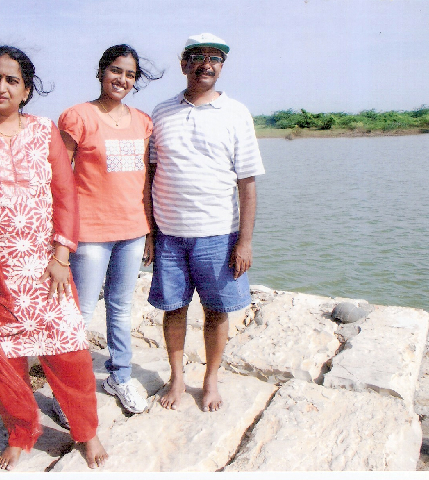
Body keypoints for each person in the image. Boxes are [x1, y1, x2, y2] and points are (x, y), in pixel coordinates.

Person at [0, 45, 108, 470]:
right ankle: (21, 431)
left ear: (27, 90)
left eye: (12, 80)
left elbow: (65, 195)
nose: (2, 86)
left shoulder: (43, 130)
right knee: (7, 359)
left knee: (68, 351)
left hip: (45, 267)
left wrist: (60, 254)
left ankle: (85, 431)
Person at [148, 34, 265, 412]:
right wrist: (150, 233)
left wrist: (244, 242)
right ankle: (177, 377)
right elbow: (149, 175)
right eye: (197, 57)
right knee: (174, 309)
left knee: (217, 311)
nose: (206, 64)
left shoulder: (237, 113)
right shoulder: (161, 112)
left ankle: (211, 379)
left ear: (221, 67)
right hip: (168, 234)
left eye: (215, 58)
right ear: (183, 64)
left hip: (218, 234)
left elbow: (247, 185)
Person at [58, 44, 162, 415]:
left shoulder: (143, 121)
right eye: (116, 71)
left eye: (130, 74)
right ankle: (68, 390)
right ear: (101, 72)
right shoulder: (78, 117)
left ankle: (119, 376)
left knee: (119, 309)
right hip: (89, 234)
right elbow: (59, 177)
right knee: (80, 313)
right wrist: (61, 235)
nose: (122, 79)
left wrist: (149, 229)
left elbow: (145, 179)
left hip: (132, 230)